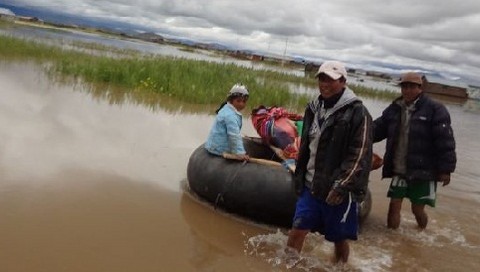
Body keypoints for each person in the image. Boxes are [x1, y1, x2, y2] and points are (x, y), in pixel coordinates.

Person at [286, 61, 373, 264]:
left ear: (343, 82)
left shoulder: (358, 113)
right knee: (297, 230)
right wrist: (299, 176)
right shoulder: (313, 108)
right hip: (311, 184)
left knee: (339, 238)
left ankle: (340, 267)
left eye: (331, 80)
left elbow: (360, 155)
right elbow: (306, 146)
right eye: (322, 79)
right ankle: (287, 266)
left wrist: (341, 186)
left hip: (338, 191)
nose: (325, 84)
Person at [373, 72, 456, 230]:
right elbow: (378, 128)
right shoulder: (395, 108)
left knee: (417, 209)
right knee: (394, 205)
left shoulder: (435, 109)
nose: (407, 90)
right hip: (400, 168)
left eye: (412, 87)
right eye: (404, 86)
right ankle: (392, 242)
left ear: (420, 88)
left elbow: (445, 141)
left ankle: (422, 234)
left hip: (424, 171)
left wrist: (446, 170)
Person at [205, 83, 250, 161]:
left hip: (214, 145)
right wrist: (240, 153)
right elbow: (234, 135)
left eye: (244, 101)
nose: (241, 104)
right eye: (238, 101)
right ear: (231, 100)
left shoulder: (226, 109)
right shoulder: (230, 116)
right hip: (219, 149)